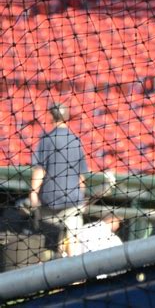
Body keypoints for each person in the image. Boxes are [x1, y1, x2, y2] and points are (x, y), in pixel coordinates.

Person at [30, 103, 88, 257]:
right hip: (73, 202)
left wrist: (33, 193)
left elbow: (40, 170)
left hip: (50, 204)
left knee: (49, 248)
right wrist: (82, 199)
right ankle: (75, 279)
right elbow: (81, 178)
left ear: (51, 116)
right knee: (73, 246)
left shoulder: (47, 139)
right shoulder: (76, 140)